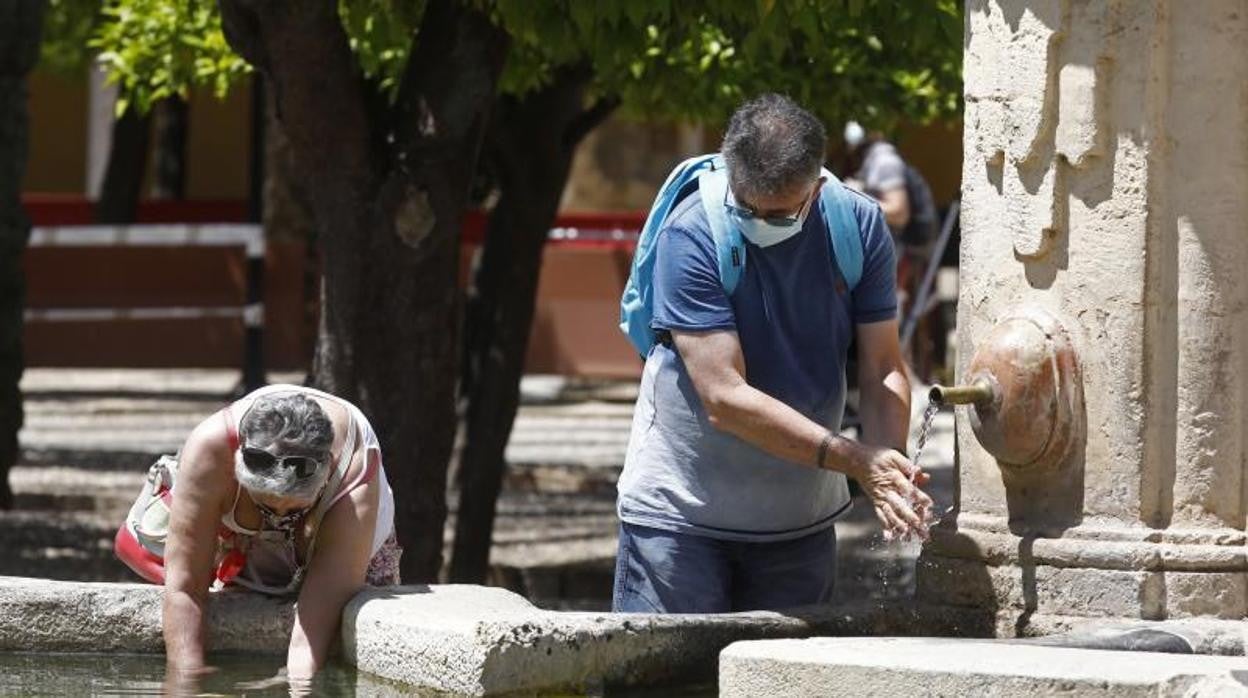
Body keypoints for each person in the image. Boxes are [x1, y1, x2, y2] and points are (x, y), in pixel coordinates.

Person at [612, 94, 932, 614]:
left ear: (819, 187)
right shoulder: (690, 232)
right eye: (748, 207)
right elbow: (724, 396)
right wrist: (857, 460)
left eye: (781, 212)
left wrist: (888, 468)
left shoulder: (858, 226)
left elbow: (882, 367)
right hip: (680, 523)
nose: (761, 220)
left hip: (797, 526)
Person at [114, 385, 400, 682]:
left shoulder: (354, 467)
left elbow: (311, 636)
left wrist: (300, 688)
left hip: (346, 539)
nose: (277, 518)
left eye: (294, 510)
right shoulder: (211, 449)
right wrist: (186, 681)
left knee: (334, 639)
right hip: (242, 540)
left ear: (326, 474)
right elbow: (185, 589)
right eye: (264, 504)